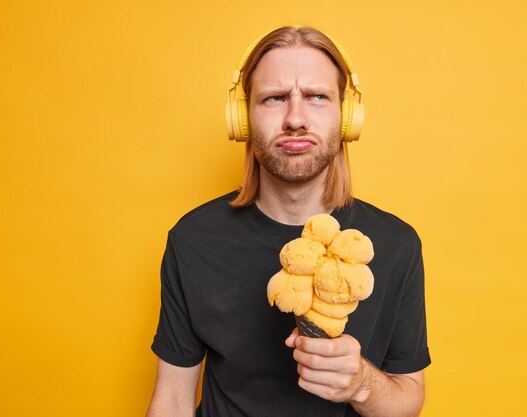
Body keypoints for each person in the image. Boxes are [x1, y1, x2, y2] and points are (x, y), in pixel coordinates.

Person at [146, 26, 431, 417]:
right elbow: (173, 400)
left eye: (316, 96)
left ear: (347, 118)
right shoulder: (193, 240)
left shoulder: (396, 244)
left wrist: (361, 384)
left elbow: (409, 398)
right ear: (242, 118)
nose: (295, 118)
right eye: (275, 98)